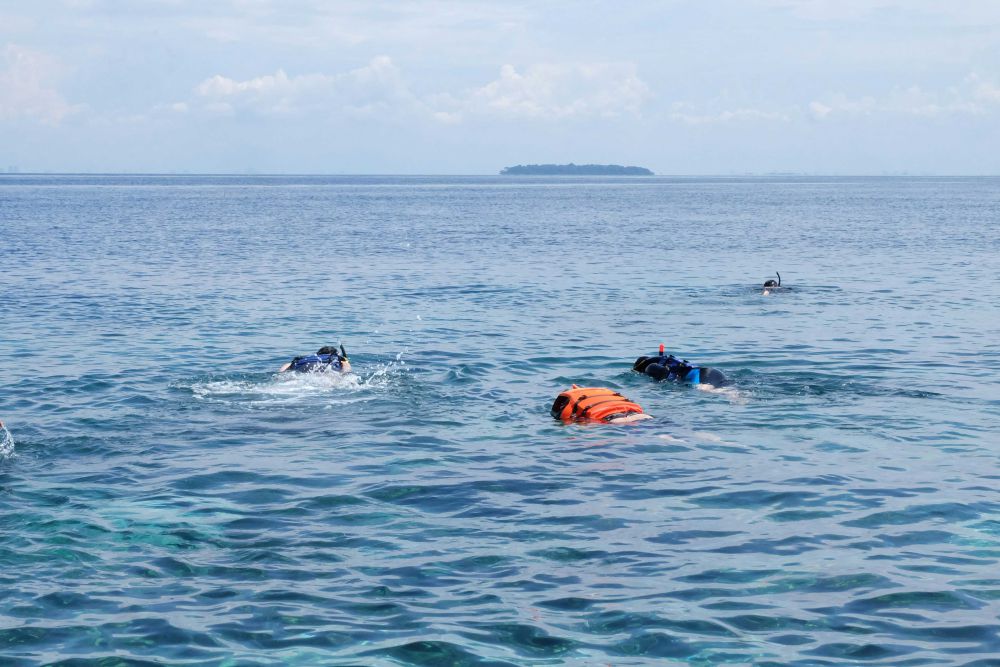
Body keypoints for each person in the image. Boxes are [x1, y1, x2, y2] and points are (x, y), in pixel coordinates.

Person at [634, 344, 728, 386]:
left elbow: (664, 372)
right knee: (726, 389)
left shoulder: (650, 366)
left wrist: (656, 384)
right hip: (712, 372)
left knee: (713, 391)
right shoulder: (665, 360)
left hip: (699, 376)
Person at [551, 385, 651, 424]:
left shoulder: (575, 402)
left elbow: (566, 419)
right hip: (639, 415)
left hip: (614, 421)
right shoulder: (604, 392)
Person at [279, 345, 351, 374]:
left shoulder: (307, 358)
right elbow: (346, 371)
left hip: (302, 370)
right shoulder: (336, 359)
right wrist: (346, 362)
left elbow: (282, 370)